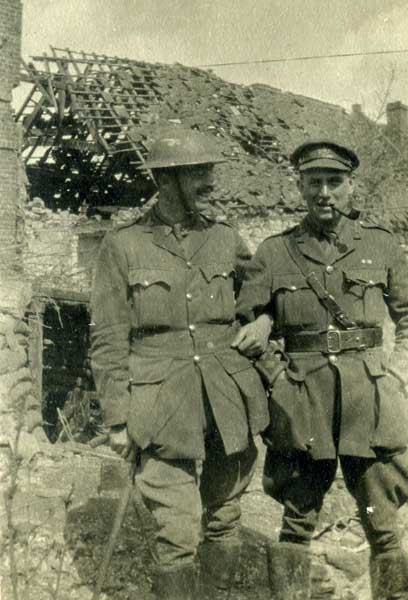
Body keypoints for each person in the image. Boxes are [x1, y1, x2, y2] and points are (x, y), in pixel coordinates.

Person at [90, 128, 269, 600]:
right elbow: (107, 336)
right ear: (166, 179)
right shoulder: (123, 245)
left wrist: (265, 319)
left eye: (210, 170)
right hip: (160, 402)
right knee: (177, 531)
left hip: (225, 398)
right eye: (199, 172)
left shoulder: (225, 237)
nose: (210, 181)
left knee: (225, 516)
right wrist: (116, 417)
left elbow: (258, 292)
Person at [234, 140, 408, 600]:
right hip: (302, 400)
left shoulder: (380, 244)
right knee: (296, 521)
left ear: (351, 186)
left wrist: (400, 375)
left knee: (383, 524)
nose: (324, 193)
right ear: (300, 187)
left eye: (334, 182)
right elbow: (244, 325)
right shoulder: (274, 253)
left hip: (368, 401)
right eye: (314, 183)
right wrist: (276, 378)